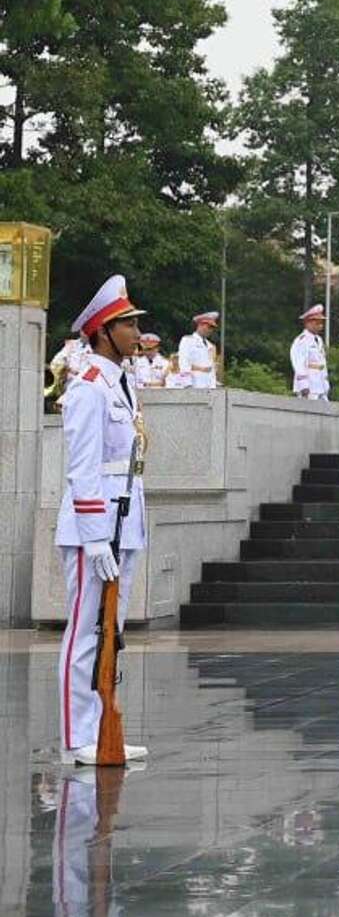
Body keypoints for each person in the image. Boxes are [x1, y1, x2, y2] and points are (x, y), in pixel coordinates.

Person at [54, 274, 152, 766]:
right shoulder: (89, 387)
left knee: (110, 629)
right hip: (94, 527)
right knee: (84, 630)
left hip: (125, 519)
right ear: (102, 331)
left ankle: (103, 726)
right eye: (128, 324)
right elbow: (83, 466)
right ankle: (78, 738)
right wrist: (95, 538)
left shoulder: (122, 383)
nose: (137, 333)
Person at [290, 305, 331, 400]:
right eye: (317, 322)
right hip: (309, 386)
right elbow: (298, 363)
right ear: (308, 323)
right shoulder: (301, 340)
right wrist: (304, 385)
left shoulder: (319, 340)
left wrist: (326, 383)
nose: (320, 325)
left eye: (321, 322)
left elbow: (321, 363)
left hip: (320, 385)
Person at [174, 311, 220, 389]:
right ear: (200, 325)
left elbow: (211, 369)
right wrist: (187, 384)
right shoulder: (188, 340)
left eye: (212, 328)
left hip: (208, 385)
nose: (210, 330)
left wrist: (213, 386)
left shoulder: (210, 346)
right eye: (208, 327)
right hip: (195, 383)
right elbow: (184, 362)